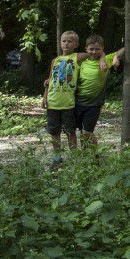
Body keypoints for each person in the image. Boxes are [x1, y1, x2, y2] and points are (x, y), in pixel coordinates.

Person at [74, 35, 123, 146]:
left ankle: (95, 156)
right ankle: (87, 155)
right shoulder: (82, 61)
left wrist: (114, 58)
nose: (94, 52)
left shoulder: (106, 60)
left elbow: (124, 50)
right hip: (77, 102)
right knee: (80, 131)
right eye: (91, 49)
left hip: (94, 104)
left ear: (102, 49)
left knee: (87, 132)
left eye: (97, 49)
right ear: (86, 49)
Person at [42, 30, 83, 162]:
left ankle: (74, 157)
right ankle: (57, 157)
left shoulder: (78, 57)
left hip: (68, 104)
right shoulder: (55, 60)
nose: (66, 44)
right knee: (54, 133)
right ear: (60, 43)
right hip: (53, 102)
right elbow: (49, 80)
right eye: (63, 41)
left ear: (76, 44)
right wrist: (44, 97)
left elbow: (95, 53)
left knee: (70, 132)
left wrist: (103, 57)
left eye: (69, 41)